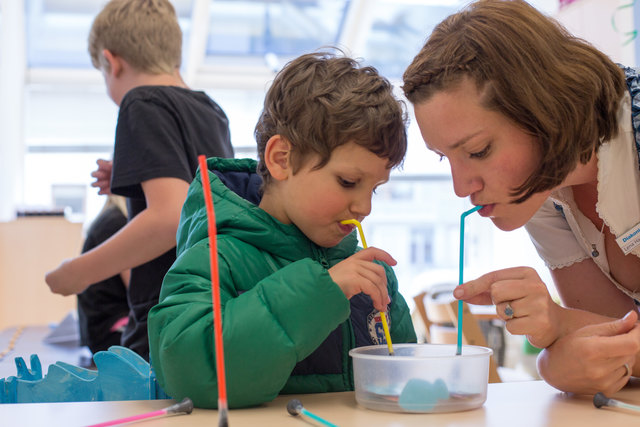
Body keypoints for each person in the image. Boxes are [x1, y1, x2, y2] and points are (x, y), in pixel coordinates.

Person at [147, 51, 417, 408]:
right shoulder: (214, 259)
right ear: (281, 159)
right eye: (348, 181)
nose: (364, 208)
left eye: (374, 188)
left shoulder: (371, 276)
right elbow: (190, 376)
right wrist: (321, 292)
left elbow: (404, 387)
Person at [402, 0, 640, 396]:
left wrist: (564, 337)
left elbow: (618, 348)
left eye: (478, 151)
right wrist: (555, 329)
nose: (461, 188)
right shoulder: (542, 187)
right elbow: (612, 333)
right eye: (445, 158)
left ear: (544, 111)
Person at [45, 0, 234, 361]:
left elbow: (170, 217)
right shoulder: (210, 109)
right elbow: (204, 197)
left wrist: (78, 273)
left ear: (111, 62)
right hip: (210, 307)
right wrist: (139, 169)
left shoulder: (140, 102)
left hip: (165, 318)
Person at [76, 195, 130, 355]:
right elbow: (136, 289)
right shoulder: (116, 223)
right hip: (109, 331)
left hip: (101, 329)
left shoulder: (110, 218)